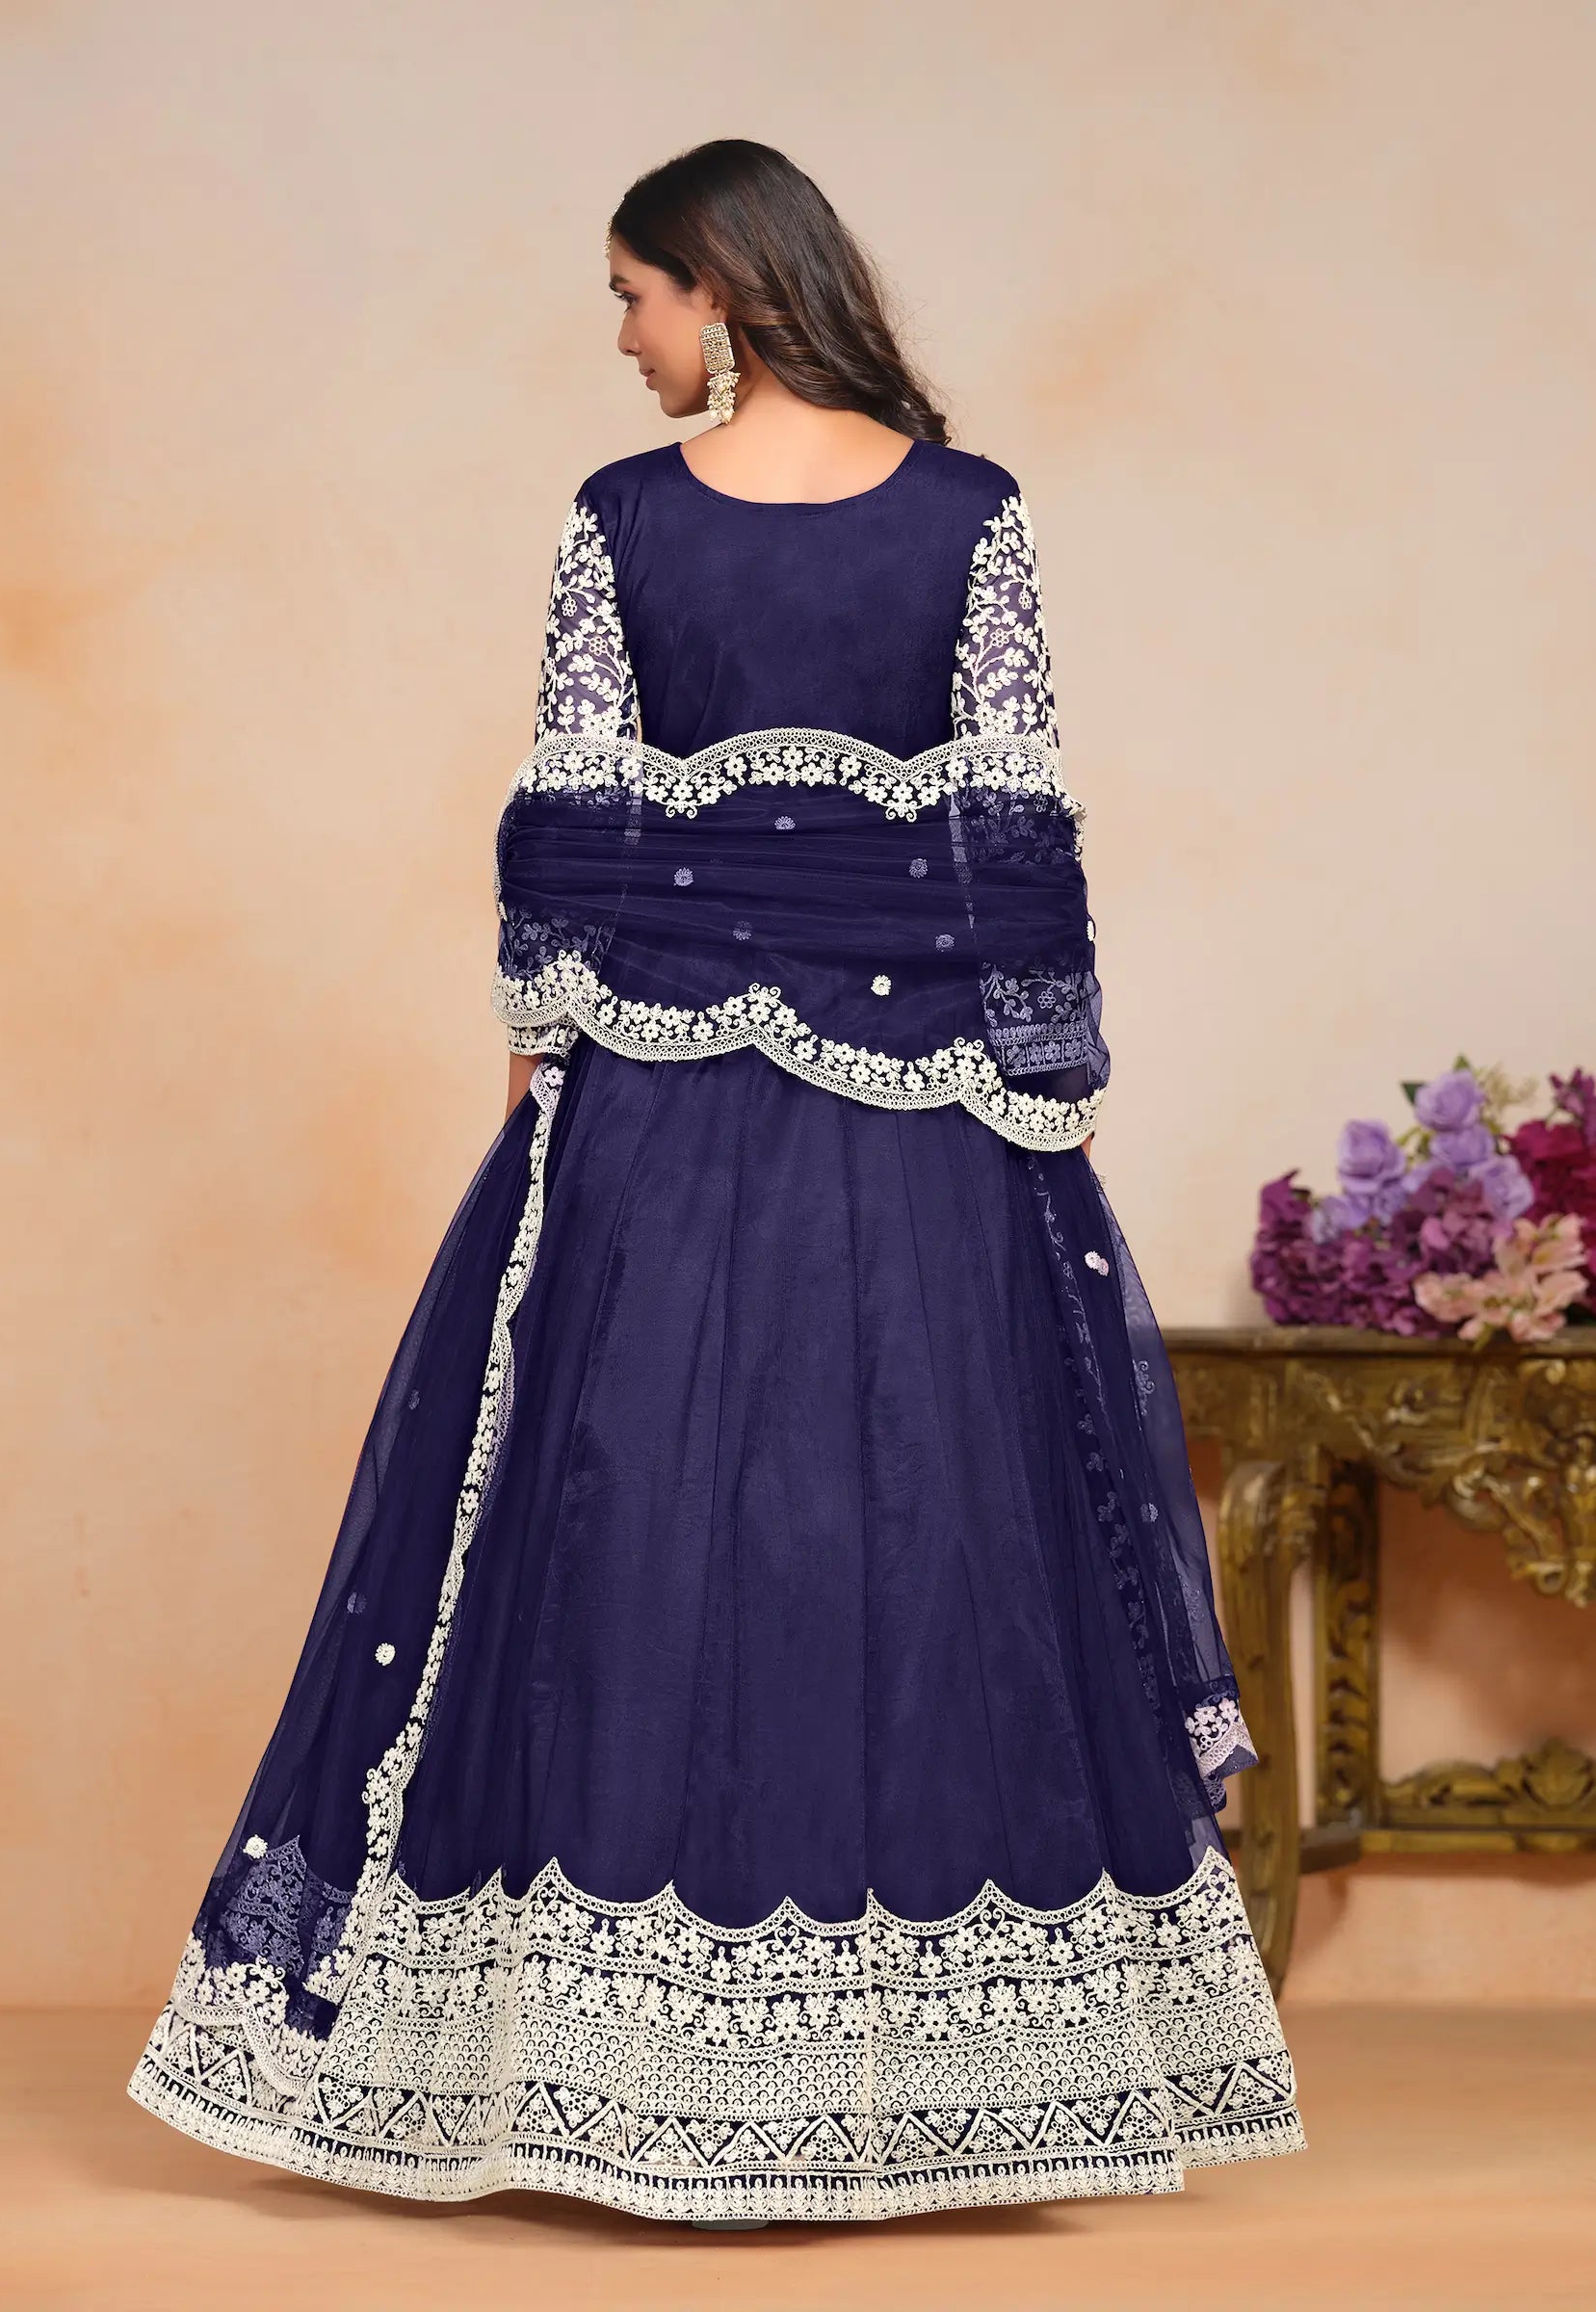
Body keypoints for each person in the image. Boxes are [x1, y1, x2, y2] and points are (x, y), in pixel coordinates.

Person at [128, 138, 1304, 2224]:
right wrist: (1049, 1091)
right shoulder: (972, 514)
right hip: (928, 1109)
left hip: (657, 1100)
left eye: (634, 294)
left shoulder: (628, 521)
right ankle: (909, 2082)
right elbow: (1014, 822)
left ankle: (600, 2076)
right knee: (923, 1518)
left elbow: (572, 811)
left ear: (724, 294)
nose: (623, 336)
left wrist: (535, 1065)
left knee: (626, 1514)